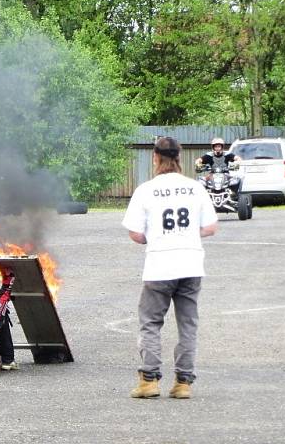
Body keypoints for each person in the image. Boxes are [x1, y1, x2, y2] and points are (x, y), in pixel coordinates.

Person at [122, 136, 218, 399]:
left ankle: (149, 380)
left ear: (155, 157)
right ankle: (183, 383)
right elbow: (210, 227)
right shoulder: (195, 188)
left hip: (159, 266)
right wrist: (186, 235)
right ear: (179, 157)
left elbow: (135, 233)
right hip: (190, 264)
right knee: (188, 324)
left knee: (151, 322)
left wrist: (153, 236)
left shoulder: (146, 190)